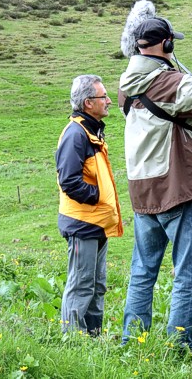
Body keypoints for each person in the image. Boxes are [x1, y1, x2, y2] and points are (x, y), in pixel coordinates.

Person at [117, 16, 192, 349]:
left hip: (142, 189)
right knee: (189, 272)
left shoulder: (126, 86)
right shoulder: (167, 83)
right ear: (166, 44)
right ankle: (183, 342)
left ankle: (134, 339)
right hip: (175, 188)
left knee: (143, 271)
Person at [55, 74, 123, 335]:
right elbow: (69, 181)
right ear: (87, 103)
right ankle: (72, 340)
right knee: (81, 284)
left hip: (96, 223)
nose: (108, 100)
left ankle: (93, 337)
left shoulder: (90, 129)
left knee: (97, 284)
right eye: (102, 96)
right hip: (82, 223)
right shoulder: (76, 134)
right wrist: (98, 197)